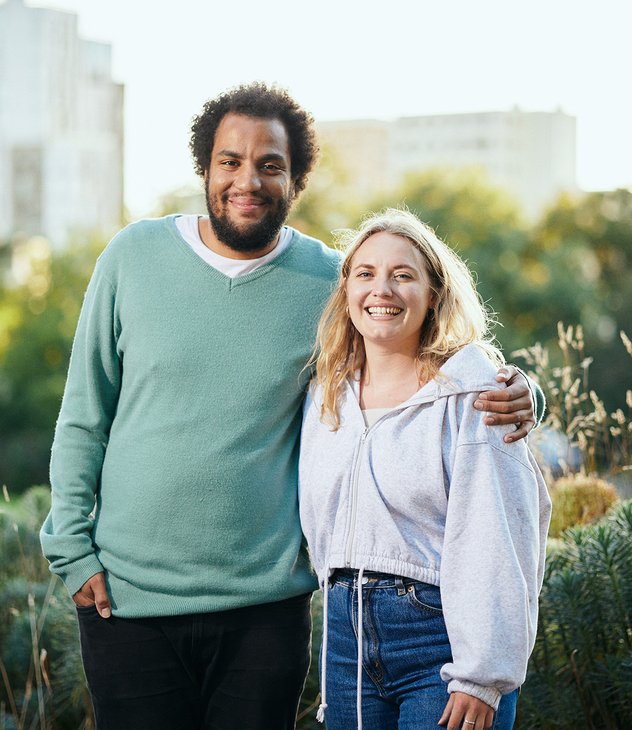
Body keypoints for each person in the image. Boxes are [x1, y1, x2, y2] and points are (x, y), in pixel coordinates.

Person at [40, 82, 541, 730]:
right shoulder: (131, 257)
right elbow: (83, 414)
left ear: (296, 179)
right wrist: (72, 550)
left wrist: (526, 393)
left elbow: (416, 357)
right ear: (206, 167)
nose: (248, 180)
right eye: (231, 161)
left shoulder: (330, 283)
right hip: (129, 607)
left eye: (270, 165)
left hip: (265, 614)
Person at [298, 208, 552, 730]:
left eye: (403, 275)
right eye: (365, 274)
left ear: (434, 292)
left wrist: (481, 674)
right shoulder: (325, 395)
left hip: (442, 641)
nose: (381, 290)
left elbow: (502, 537)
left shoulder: (475, 395)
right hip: (345, 639)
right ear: (346, 291)